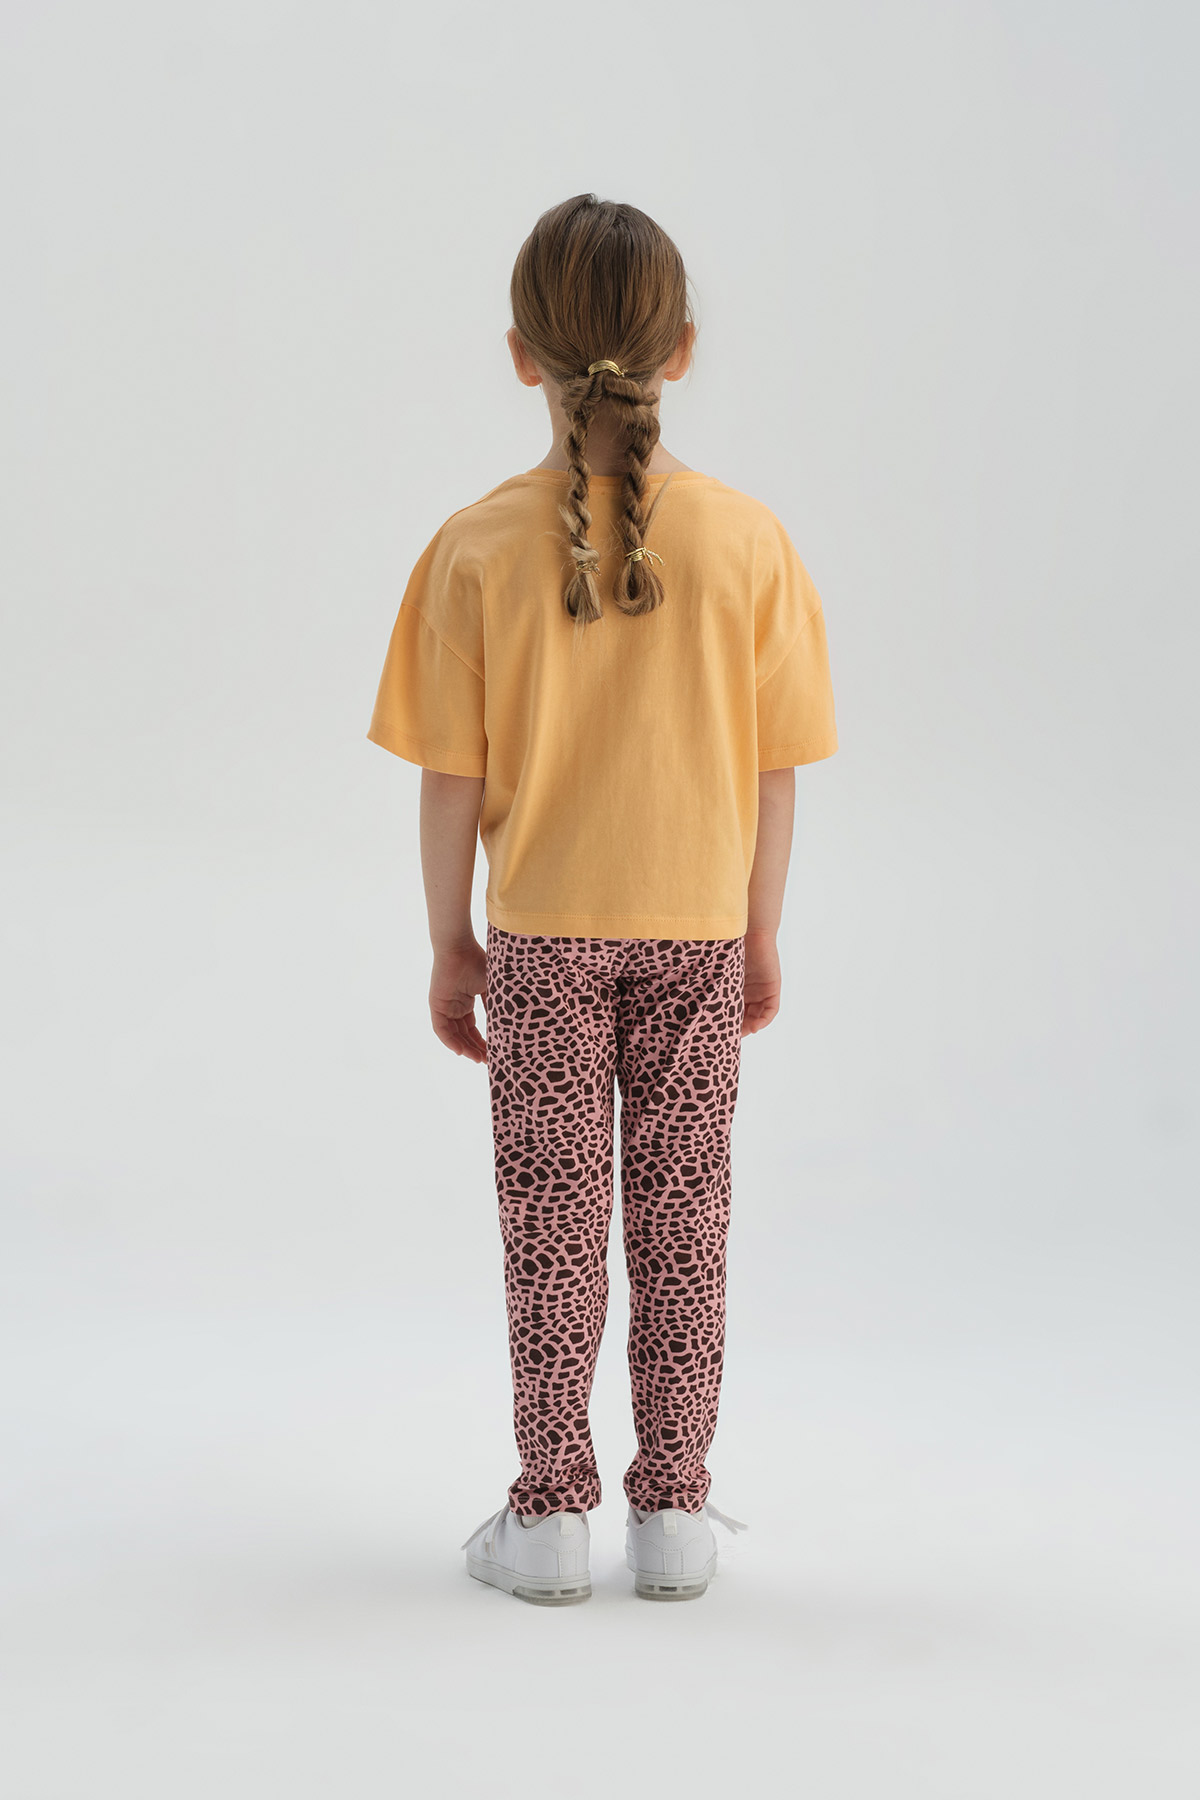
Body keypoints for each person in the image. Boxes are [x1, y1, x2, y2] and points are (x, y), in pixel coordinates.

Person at [367, 193, 837, 1605]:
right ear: (682, 349)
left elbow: (451, 779)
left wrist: (451, 943)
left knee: (553, 1225)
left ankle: (550, 1518)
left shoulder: (473, 548)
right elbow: (773, 774)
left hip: (543, 943)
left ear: (521, 354)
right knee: (686, 1220)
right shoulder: (750, 543)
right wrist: (760, 930)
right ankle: (676, 1513)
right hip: (699, 933)